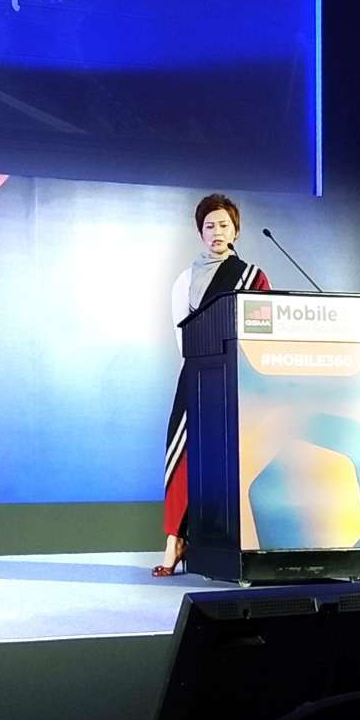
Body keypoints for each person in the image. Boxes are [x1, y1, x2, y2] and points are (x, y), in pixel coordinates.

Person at [152, 193, 270, 578]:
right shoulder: (185, 279)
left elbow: (264, 329)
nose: (216, 232)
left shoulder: (253, 277)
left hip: (242, 381)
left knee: (236, 458)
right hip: (199, 376)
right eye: (209, 226)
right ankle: (175, 539)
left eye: (223, 225)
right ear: (200, 233)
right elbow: (182, 337)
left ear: (236, 230)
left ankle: (236, 540)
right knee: (182, 455)